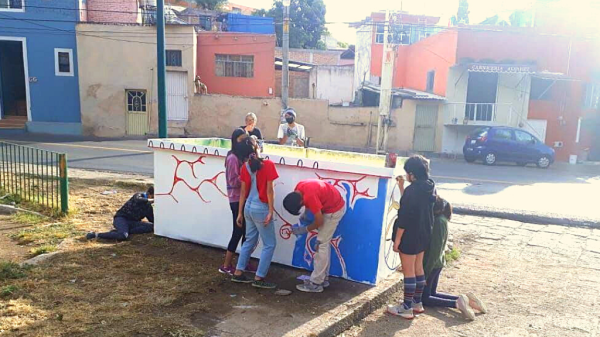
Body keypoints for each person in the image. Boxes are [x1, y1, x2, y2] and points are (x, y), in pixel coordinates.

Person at [422, 196, 488, 320]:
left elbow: (435, 251)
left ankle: (456, 303)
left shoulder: (438, 222)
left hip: (433, 264)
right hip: (438, 263)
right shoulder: (442, 219)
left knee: (424, 298)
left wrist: (425, 273)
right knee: (432, 294)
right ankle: (467, 300)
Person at [387, 155, 436, 319]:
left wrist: (398, 240)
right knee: (418, 268)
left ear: (412, 174)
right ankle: (416, 303)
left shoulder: (412, 190)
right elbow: (411, 202)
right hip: (424, 233)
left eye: (407, 172)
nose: (406, 175)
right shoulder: (430, 186)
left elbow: (405, 216)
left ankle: (406, 308)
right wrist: (402, 187)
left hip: (409, 235)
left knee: (408, 271)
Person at [231, 136, 279, 289]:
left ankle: (238, 272)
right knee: (270, 244)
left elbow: (243, 191)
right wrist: (271, 211)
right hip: (261, 208)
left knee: (249, 241)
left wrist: (239, 213)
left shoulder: (245, 166)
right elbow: (270, 190)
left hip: (248, 208)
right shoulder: (269, 164)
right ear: (257, 148)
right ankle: (259, 278)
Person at [283, 179, 346, 293]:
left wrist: (304, 229)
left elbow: (319, 221)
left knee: (321, 244)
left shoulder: (309, 197)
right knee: (324, 245)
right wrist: (305, 217)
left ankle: (316, 283)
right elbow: (311, 205)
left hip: (333, 211)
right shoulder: (299, 188)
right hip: (330, 204)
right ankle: (322, 278)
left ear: (301, 201)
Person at [220, 128, 256, 275]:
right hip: (236, 199)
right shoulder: (233, 158)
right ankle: (226, 265)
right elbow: (233, 181)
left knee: (246, 233)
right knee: (238, 232)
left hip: (243, 198)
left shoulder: (241, 156)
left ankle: (243, 262)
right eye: (242, 140)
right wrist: (246, 178)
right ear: (235, 141)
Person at [86, 187, 155, 241]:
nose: (153, 201)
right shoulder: (138, 195)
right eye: (153, 197)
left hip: (134, 222)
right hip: (121, 218)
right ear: (148, 194)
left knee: (151, 226)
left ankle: (121, 231)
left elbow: (152, 221)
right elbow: (138, 200)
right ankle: (95, 235)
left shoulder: (148, 207)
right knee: (123, 236)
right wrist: (151, 200)